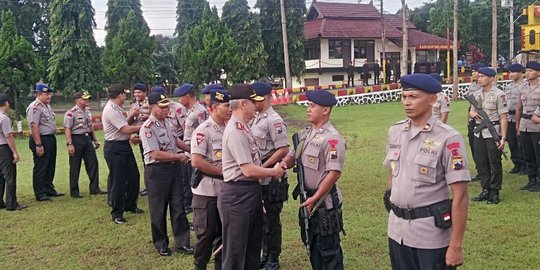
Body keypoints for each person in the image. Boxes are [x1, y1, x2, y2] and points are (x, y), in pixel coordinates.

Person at [383, 73, 470, 269]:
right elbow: (392, 170)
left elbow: (461, 196)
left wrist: (455, 245)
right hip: (397, 231)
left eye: (413, 97)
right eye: (404, 97)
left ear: (432, 99)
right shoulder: (395, 132)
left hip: (430, 236)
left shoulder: (449, 139)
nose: (407, 102)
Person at [219, 84, 284, 270]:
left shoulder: (244, 127)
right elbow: (247, 170)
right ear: (242, 104)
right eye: (253, 103)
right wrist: (274, 171)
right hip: (238, 194)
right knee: (236, 251)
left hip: (249, 192)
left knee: (251, 247)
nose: (256, 106)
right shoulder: (235, 131)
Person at [281, 90, 346, 270]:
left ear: (325, 110)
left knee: (329, 253)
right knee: (312, 247)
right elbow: (292, 156)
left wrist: (315, 198)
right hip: (306, 200)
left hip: (323, 204)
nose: (308, 109)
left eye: (312, 106)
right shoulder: (305, 134)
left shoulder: (332, 139)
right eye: (308, 105)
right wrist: (280, 166)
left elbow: (334, 173)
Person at [139, 92, 191, 256]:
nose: (165, 110)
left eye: (167, 106)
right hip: (157, 171)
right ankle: (161, 243)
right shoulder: (147, 128)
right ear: (152, 107)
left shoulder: (166, 123)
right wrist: (179, 156)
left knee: (178, 205)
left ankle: (182, 242)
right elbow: (155, 154)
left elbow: (176, 141)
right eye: (161, 107)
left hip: (173, 168)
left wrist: (193, 151)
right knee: (158, 208)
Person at [190, 89, 231, 270]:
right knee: (205, 234)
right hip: (206, 192)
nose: (230, 109)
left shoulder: (230, 129)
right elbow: (196, 161)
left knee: (224, 235)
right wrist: (223, 172)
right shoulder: (203, 131)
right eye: (226, 106)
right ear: (214, 107)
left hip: (226, 191)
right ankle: (200, 266)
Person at [250, 82, 290, 270]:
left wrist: (262, 167)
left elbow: (283, 149)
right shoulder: (257, 118)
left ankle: (274, 257)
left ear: (266, 97)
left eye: (256, 100)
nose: (254, 103)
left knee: (272, 220)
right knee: (262, 220)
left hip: (271, 179)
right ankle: (265, 254)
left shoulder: (273, 120)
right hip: (261, 178)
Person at [102, 84, 143, 224]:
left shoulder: (116, 108)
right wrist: (145, 126)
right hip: (115, 148)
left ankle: (130, 204)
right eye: (124, 94)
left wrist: (132, 116)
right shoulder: (111, 110)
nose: (125, 96)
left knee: (133, 176)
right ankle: (117, 212)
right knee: (118, 180)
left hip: (123, 146)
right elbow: (125, 129)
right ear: (119, 95)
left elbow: (124, 124)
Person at [470, 67, 508, 204]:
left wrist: (503, 137)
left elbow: (503, 117)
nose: (479, 78)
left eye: (482, 76)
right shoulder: (476, 94)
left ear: (491, 78)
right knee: (481, 162)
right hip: (479, 132)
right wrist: (474, 114)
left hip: (493, 131)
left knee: (494, 162)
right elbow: (472, 112)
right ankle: (485, 189)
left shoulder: (499, 94)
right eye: (478, 76)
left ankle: (495, 191)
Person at [63, 91, 105, 198]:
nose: (87, 101)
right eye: (84, 99)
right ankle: (74, 191)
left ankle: (95, 188)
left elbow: (90, 126)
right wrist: (69, 144)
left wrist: (95, 140)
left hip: (87, 139)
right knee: (75, 166)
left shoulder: (87, 111)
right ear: (77, 100)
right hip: (76, 139)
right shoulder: (71, 113)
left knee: (93, 163)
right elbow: (67, 129)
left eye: (87, 99)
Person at [176, 83, 209, 213]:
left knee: (194, 180)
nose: (179, 101)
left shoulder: (200, 111)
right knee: (187, 179)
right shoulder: (190, 111)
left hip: (195, 151)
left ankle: (192, 204)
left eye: (180, 97)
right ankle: (188, 203)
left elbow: (205, 132)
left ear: (188, 96)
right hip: (188, 151)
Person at [26, 83, 63, 201]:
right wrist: (39, 144)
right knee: (41, 166)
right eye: (46, 94)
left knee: (50, 165)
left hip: (50, 138)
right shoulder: (35, 107)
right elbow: (34, 126)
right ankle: (40, 192)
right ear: (39, 94)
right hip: (41, 139)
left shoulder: (46, 106)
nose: (49, 96)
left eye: (49, 94)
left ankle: (49, 188)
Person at [0, 94, 27, 211]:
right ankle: (12, 203)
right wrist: (15, 152)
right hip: (4, 148)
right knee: (10, 176)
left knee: (0, 177)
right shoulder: (4, 118)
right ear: (5, 103)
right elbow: (8, 136)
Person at [517, 61, 540, 191]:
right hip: (525, 124)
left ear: (538, 72)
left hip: (537, 125)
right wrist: (518, 126)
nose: (527, 73)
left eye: (531, 70)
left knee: (538, 153)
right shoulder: (522, 87)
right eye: (527, 70)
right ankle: (531, 179)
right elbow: (519, 107)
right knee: (528, 153)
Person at [127, 83, 150, 196]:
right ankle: (148, 186)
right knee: (145, 161)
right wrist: (132, 115)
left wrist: (148, 117)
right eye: (135, 92)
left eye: (139, 92)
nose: (137, 94)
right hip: (140, 138)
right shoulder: (133, 105)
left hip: (151, 136)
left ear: (145, 92)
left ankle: (152, 185)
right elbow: (128, 122)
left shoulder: (151, 103)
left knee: (151, 162)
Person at [505, 64, 525, 174]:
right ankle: (516, 163)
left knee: (521, 142)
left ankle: (524, 165)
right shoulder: (509, 86)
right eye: (510, 72)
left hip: (521, 117)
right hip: (509, 117)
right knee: (512, 142)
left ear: (521, 72)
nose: (511, 74)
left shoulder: (525, 85)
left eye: (514, 72)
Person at [467, 63, 485, 181]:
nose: (473, 73)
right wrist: (468, 120)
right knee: (473, 146)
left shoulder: (485, 86)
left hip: (483, 119)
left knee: (483, 147)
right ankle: (479, 170)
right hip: (472, 118)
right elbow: (469, 106)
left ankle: (485, 171)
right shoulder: (471, 86)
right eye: (472, 71)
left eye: (475, 71)